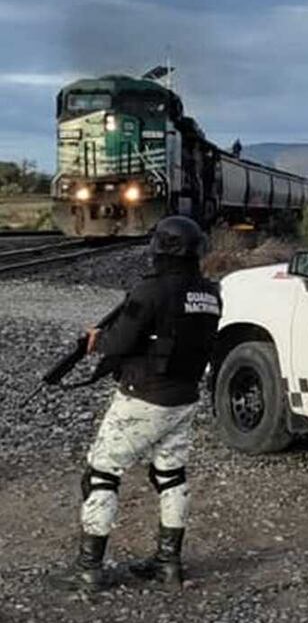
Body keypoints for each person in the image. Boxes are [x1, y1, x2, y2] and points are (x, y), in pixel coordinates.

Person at [48, 216, 222, 592]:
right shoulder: (210, 293)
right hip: (184, 398)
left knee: (101, 473)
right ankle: (167, 563)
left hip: (143, 396)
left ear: (160, 249)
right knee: (171, 475)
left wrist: (98, 340)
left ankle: (88, 569)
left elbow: (120, 342)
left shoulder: (151, 291)